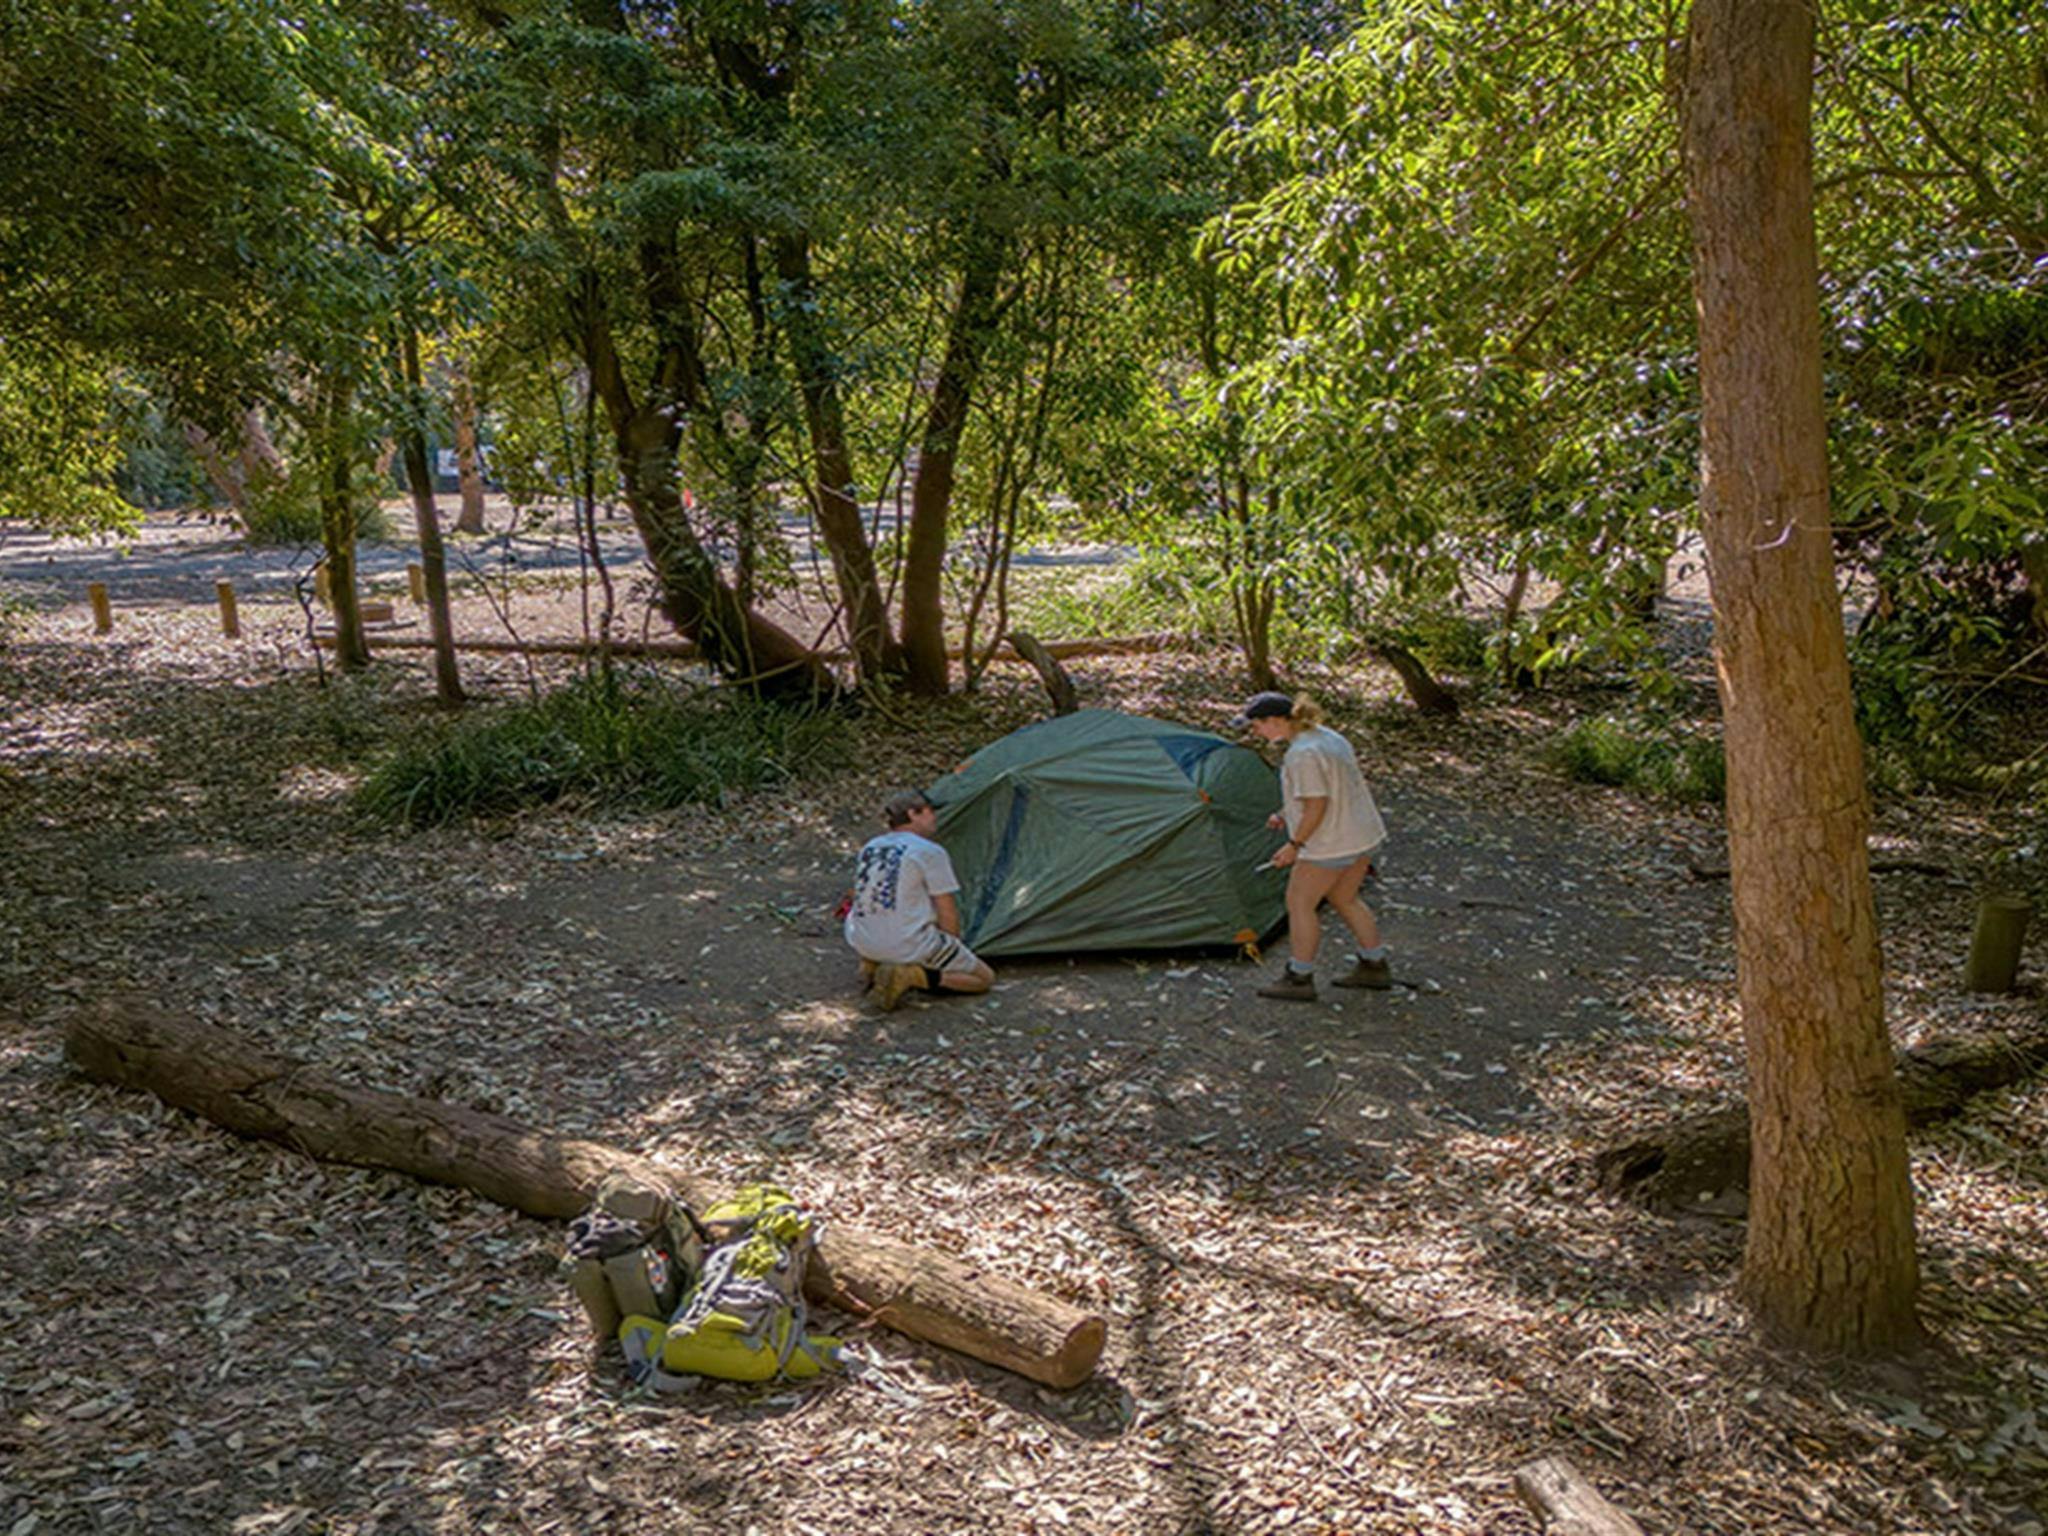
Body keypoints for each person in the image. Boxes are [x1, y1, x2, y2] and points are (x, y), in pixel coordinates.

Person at [1232, 691, 1391, 1002]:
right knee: (1346, 898)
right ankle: (1375, 964)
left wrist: (1294, 844)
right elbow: (1326, 790)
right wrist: (1284, 813)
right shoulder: (1326, 737)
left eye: (1256, 726)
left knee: (1299, 903)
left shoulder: (1302, 754)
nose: (1255, 733)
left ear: (1276, 721)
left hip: (1330, 843)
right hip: (1361, 834)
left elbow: (1317, 806)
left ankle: (1299, 977)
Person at [844, 790, 995, 1011]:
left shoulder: (871, 847)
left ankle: (873, 963)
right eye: (929, 811)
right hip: (905, 943)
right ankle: (913, 975)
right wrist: (954, 945)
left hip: (861, 939)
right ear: (913, 814)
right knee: (983, 979)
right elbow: (946, 907)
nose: (934, 817)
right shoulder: (929, 851)